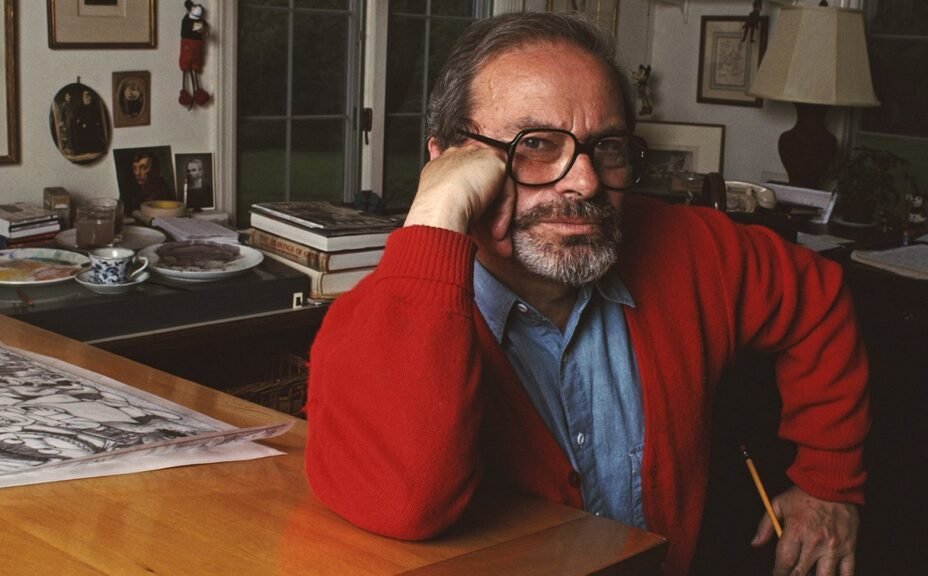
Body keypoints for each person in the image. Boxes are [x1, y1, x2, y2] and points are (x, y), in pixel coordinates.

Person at [304, 12, 868, 576]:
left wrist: (828, 480)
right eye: (536, 144)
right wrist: (434, 217)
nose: (586, 181)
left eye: (609, 147)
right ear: (447, 162)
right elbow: (405, 504)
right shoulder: (367, 326)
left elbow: (816, 297)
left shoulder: (692, 249)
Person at [125, 150, 173, 215]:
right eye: (134, 168)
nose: (137, 173)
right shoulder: (136, 191)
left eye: (143, 168)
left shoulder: (160, 192)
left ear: (155, 170)